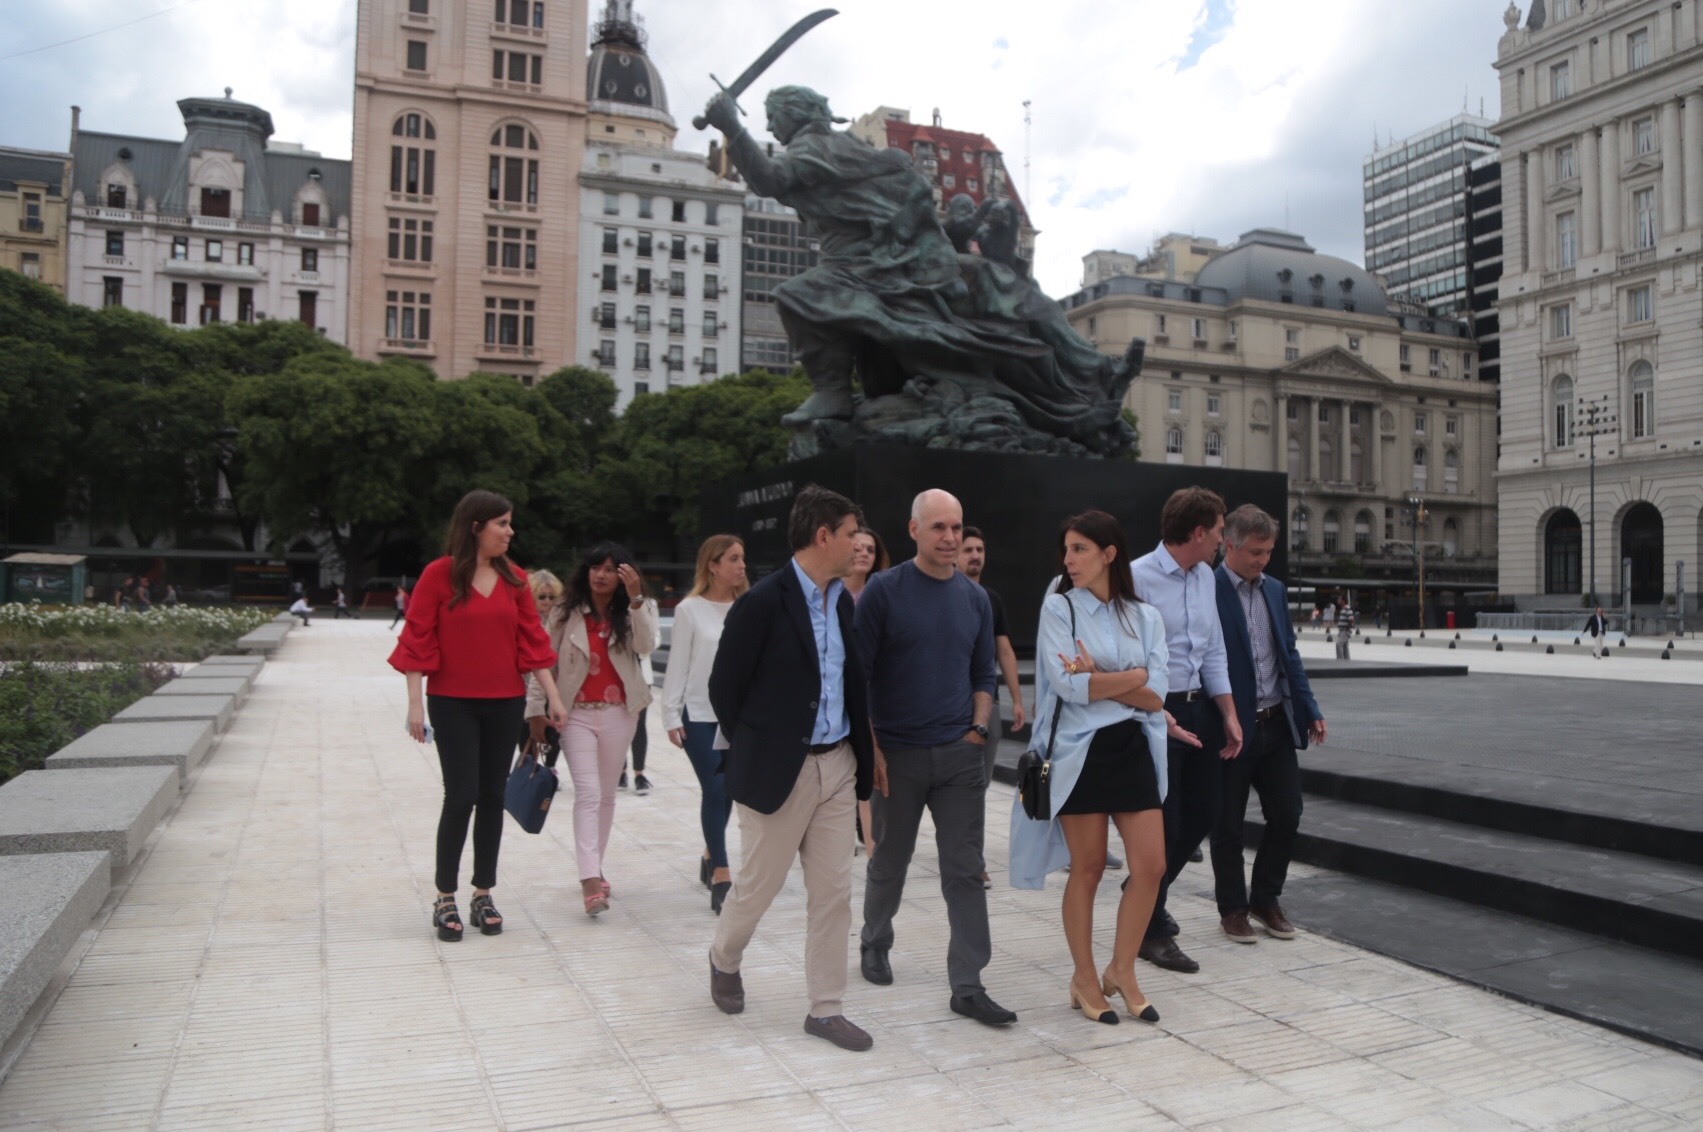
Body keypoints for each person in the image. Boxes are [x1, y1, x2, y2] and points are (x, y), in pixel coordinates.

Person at [707, 485, 876, 1052]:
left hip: (838, 765)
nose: (859, 545)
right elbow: (724, 690)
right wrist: (766, 745)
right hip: (781, 771)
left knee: (833, 894)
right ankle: (724, 957)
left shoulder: (843, 602)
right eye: (851, 534)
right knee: (759, 886)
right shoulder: (762, 603)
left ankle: (826, 1009)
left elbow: (851, 684)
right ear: (823, 536)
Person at [856, 489, 1016, 1028]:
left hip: (958, 756)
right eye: (939, 527)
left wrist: (978, 728)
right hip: (896, 757)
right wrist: (872, 748)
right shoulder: (883, 591)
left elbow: (982, 673)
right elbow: (859, 676)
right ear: (914, 530)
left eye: (957, 527)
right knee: (890, 861)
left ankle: (968, 985)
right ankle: (875, 940)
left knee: (965, 871)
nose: (950, 537)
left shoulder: (976, 600)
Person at [1009, 512, 1171, 1025]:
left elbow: (1158, 695)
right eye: (1066, 549)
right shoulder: (1060, 607)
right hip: (1079, 750)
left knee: (1151, 866)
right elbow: (1069, 685)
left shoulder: (1145, 616)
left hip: (1133, 747)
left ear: (1109, 553)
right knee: (1089, 867)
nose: (1068, 560)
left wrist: (1103, 675)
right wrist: (1132, 676)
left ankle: (1122, 969)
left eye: (1079, 549)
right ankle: (1083, 978)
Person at [390, 490, 566, 942]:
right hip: (452, 702)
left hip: (505, 701)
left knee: (492, 796)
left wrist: (552, 698)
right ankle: (444, 896)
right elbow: (417, 637)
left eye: (509, 523)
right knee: (460, 795)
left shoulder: (515, 579)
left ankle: (483, 893)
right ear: (475, 526)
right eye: (501, 523)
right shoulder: (439, 575)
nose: (510, 531)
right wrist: (414, 702)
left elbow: (532, 642)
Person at [1129, 486, 1244, 974]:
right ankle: (1149, 928)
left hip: (1200, 711)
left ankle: (1144, 892)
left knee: (1204, 814)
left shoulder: (1204, 578)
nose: (1222, 540)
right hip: (1156, 713)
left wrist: (1229, 712)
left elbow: (1212, 649)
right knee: (1167, 823)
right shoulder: (1137, 576)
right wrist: (1156, 710)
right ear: (1198, 532)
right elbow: (1128, 657)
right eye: (1218, 531)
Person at [1212, 505, 1326, 946]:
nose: (1263, 560)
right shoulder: (1208, 589)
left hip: (1276, 723)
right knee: (1228, 823)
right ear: (1230, 545)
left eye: (1268, 552)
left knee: (1288, 814)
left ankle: (1265, 899)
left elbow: (1288, 654)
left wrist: (1309, 707)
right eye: (1255, 552)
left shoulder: (1274, 590)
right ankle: (1232, 909)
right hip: (1231, 729)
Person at [527, 543, 657, 916]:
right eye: (595, 567)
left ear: (624, 574)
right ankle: (589, 880)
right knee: (588, 792)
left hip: (620, 713)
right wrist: (535, 709)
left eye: (610, 569)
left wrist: (635, 600)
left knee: (607, 796)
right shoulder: (565, 612)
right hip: (575, 714)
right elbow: (543, 661)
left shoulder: (637, 608)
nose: (601, 575)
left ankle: (595, 867)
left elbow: (646, 645)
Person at [661, 534, 748, 913]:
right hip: (697, 715)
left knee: (728, 790)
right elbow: (678, 664)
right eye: (733, 558)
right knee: (715, 788)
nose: (741, 565)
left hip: (737, 717)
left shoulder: (748, 607)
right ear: (712, 565)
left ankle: (710, 853)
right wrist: (670, 715)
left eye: (742, 558)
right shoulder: (689, 609)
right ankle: (722, 874)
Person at [960, 524, 1035, 888]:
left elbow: (1004, 650)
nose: (975, 556)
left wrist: (1017, 700)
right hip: (946, 708)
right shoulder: (943, 596)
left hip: (986, 704)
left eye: (980, 549)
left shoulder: (991, 599)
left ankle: (969, 856)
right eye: (968, 549)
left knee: (978, 785)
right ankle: (967, 857)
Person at [845, 525, 889, 855]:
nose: (863, 554)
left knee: (867, 766)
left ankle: (873, 845)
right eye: (857, 547)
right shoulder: (829, 593)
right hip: (837, 692)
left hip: (874, 692)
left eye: (870, 550)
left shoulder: (883, 594)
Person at [522, 570, 566, 768]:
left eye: (551, 596)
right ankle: (529, 769)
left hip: (554, 685)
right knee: (526, 735)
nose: (547, 601)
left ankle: (550, 768)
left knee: (554, 733)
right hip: (525, 685)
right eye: (542, 596)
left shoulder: (561, 621)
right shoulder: (524, 620)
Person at [844, 527, 890, 603]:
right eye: (857, 549)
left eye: (870, 550)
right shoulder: (826, 591)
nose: (865, 554)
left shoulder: (883, 596)